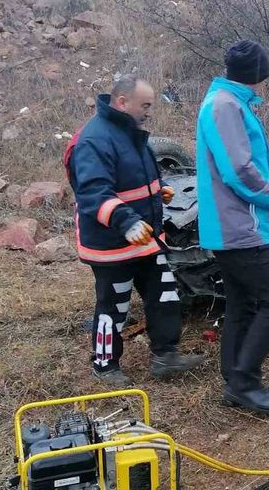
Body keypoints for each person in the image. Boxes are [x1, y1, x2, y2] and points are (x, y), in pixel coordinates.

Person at [68, 75, 203, 384]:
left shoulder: (128, 131)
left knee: (164, 296)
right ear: (122, 102)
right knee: (113, 305)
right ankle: (105, 365)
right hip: (111, 244)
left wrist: (159, 188)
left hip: (146, 239)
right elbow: (92, 193)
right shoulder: (94, 140)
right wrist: (126, 221)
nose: (148, 112)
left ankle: (165, 356)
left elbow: (135, 173)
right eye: (145, 106)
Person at [196, 41, 269, 414]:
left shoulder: (229, 102)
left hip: (232, 225)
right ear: (258, 73)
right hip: (237, 227)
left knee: (243, 302)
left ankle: (234, 378)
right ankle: (244, 381)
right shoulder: (225, 106)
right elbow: (237, 169)